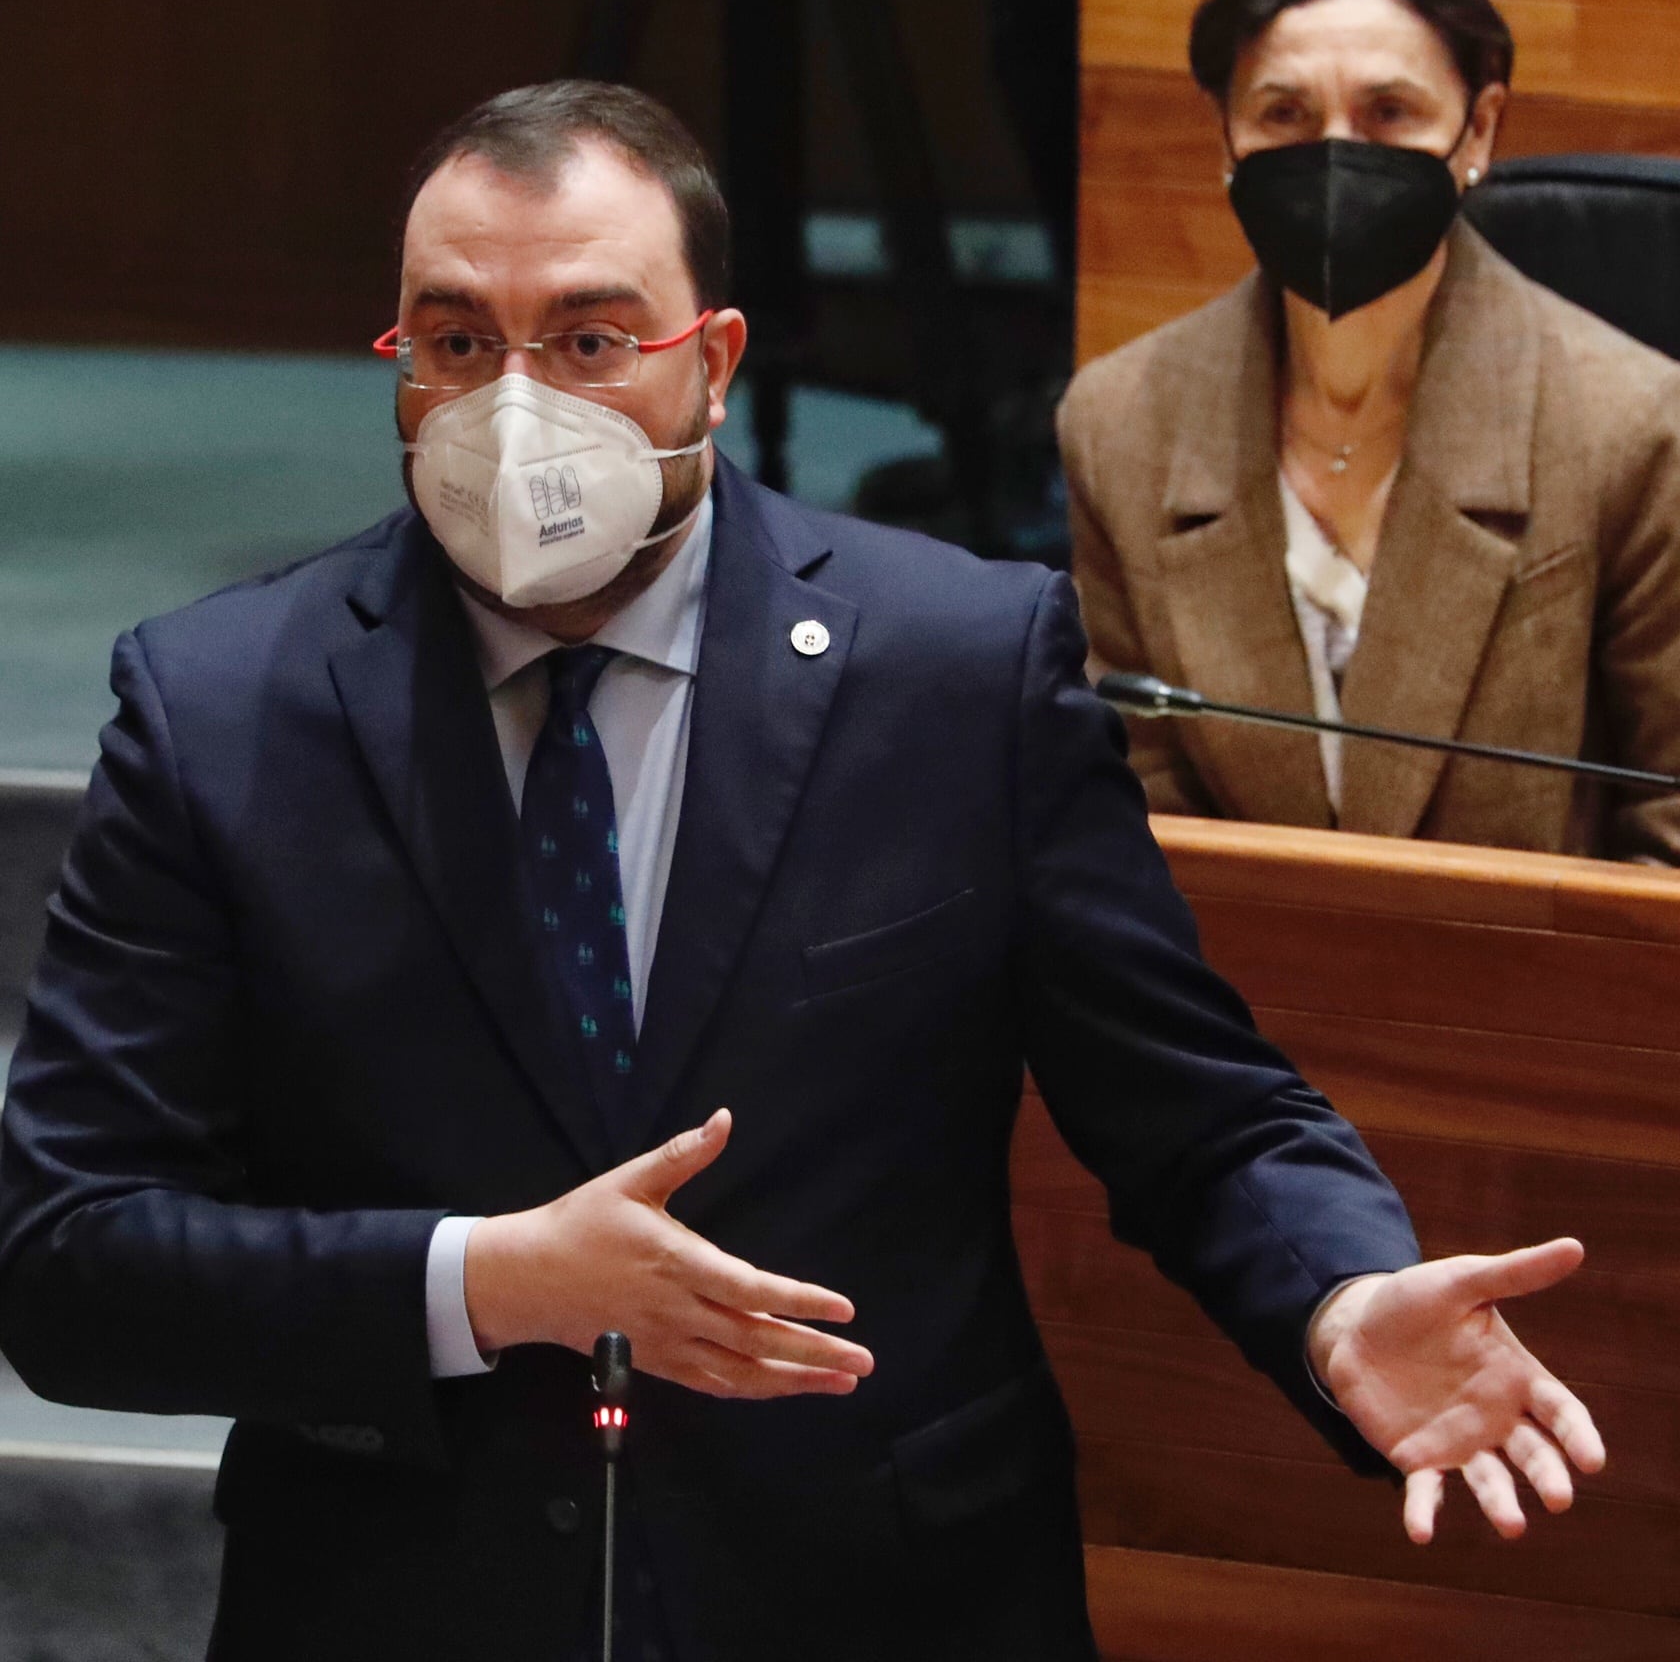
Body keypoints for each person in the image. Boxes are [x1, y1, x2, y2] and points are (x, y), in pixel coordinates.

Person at [0, 81, 1602, 1662]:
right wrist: (485, 1284)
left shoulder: (958, 668)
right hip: (401, 1593)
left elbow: (1199, 1111)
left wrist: (1337, 1299)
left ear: (715, 364)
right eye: (456, 340)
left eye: (589, 339)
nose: (515, 401)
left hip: (876, 1586)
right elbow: (65, 1257)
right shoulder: (222, 706)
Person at [1059, 0, 1680, 860]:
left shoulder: (1631, 428)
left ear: (1477, 132)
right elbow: (1136, 828)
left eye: (1389, 113)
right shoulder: (1121, 424)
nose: (1335, 153)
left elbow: (1669, 840)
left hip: (1531, 1002)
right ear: (1225, 133)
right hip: (1224, 1002)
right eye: (1284, 113)